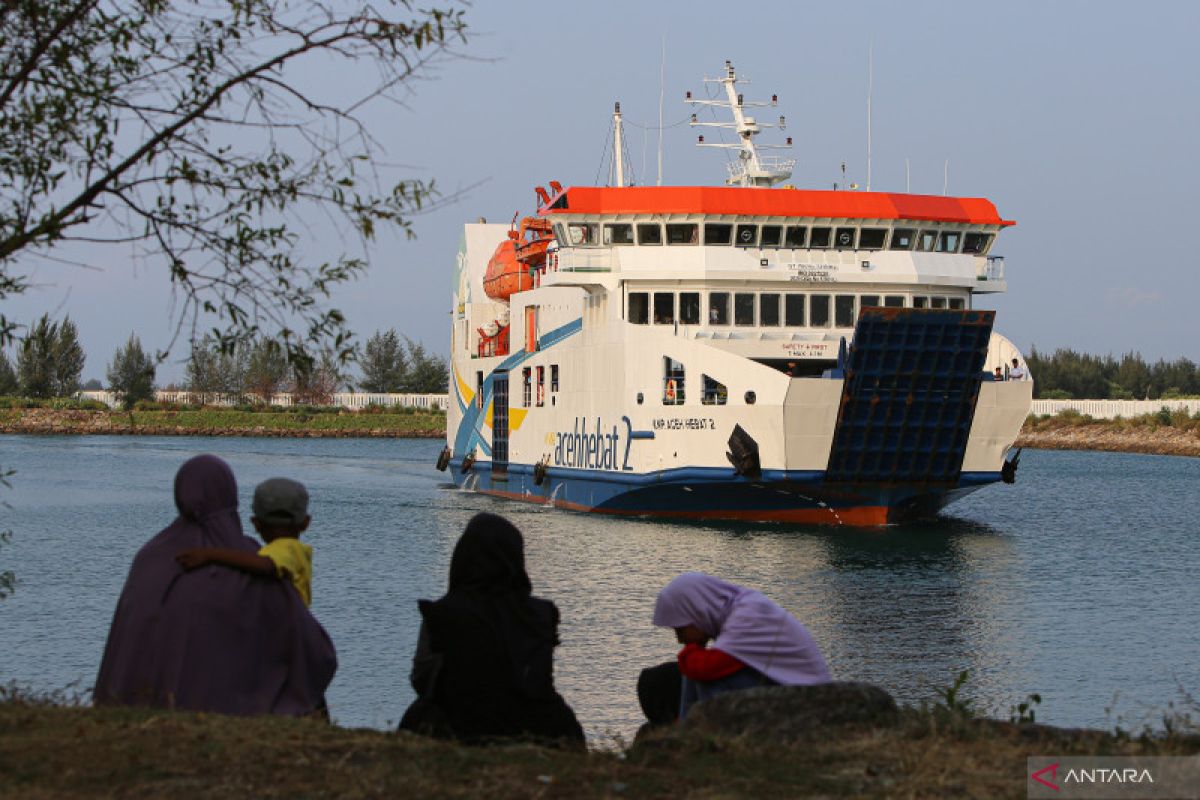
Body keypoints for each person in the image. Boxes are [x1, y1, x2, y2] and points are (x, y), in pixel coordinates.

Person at [95, 455, 336, 716]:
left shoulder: (150, 557)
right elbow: (307, 645)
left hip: (139, 702)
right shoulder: (249, 561)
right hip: (232, 703)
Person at [399, 512, 584, 746]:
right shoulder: (541, 615)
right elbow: (541, 679)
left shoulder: (443, 614)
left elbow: (422, 679)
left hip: (459, 725)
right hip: (536, 726)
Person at [652, 572, 831, 719]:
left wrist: (687, 653)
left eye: (680, 629)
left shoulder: (747, 614)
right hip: (788, 688)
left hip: (809, 699)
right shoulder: (739, 607)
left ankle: (710, 737)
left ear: (695, 610)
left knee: (706, 677)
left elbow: (707, 668)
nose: (679, 639)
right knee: (693, 671)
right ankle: (688, 733)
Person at [177, 477, 314, 606]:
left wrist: (210, 555)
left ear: (256, 524)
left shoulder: (286, 547)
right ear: (305, 523)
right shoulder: (299, 552)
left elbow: (266, 565)